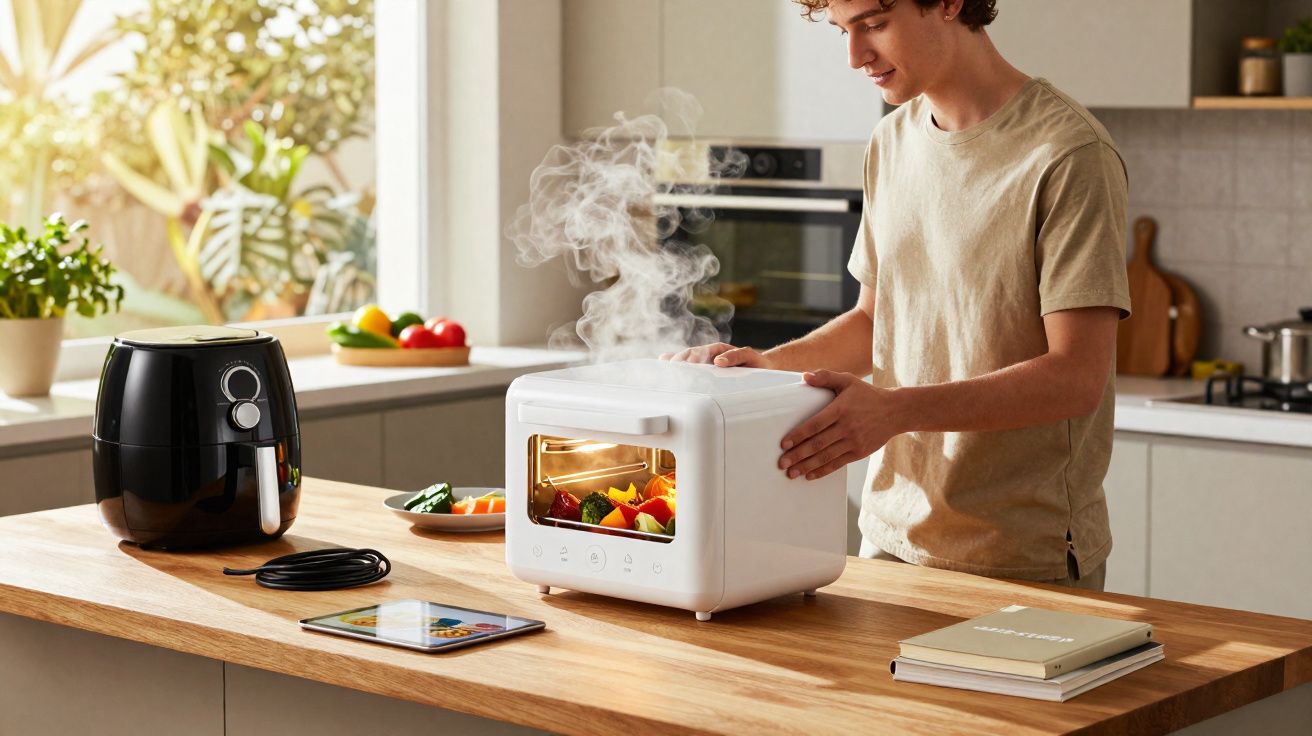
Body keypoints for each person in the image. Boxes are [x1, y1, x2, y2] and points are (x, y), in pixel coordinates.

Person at [663, 0, 1130, 591]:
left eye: (874, 24)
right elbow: (873, 319)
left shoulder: (1068, 154)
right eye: (842, 31)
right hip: (888, 540)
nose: (856, 56)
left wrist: (894, 411)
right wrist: (766, 368)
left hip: (1021, 555)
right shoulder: (892, 140)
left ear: (948, 3)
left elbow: (1077, 377)